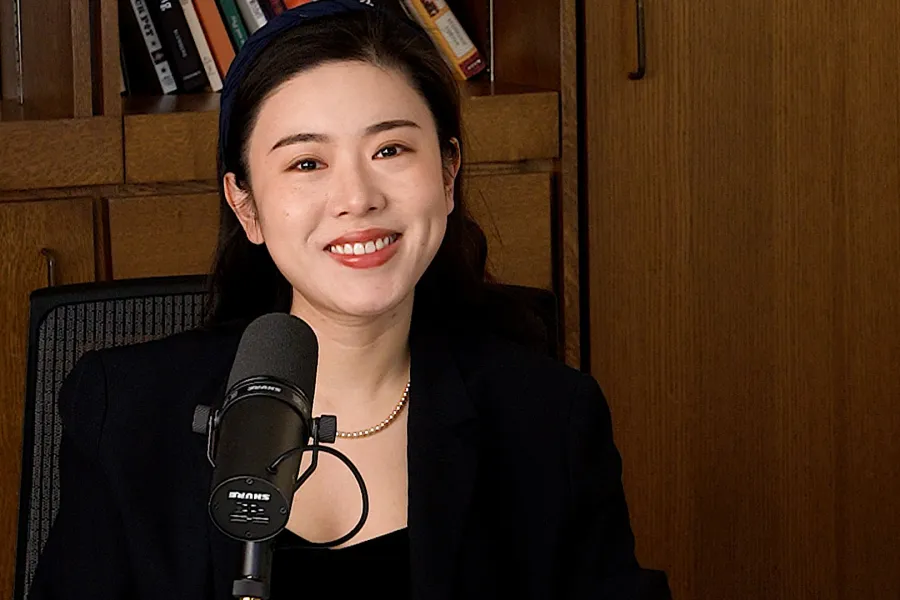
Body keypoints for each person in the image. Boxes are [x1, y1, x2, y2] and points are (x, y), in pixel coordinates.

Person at [30, 1, 670, 598]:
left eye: (390, 149)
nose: (358, 197)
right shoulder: (126, 413)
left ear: (448, 174)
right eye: (307, 163)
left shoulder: (551, 419)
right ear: (246, 206)